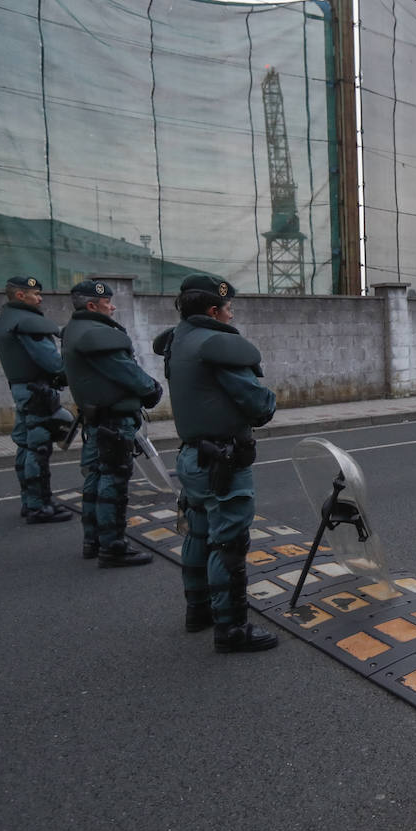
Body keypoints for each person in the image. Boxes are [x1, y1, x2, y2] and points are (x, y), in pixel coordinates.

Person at [159, 275, 278, 652]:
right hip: (222, 462)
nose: (232, 314)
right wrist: (269, 397)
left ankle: (199, 610)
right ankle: (231, 629)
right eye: (229, 308)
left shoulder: (179, 339)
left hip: (192, 456)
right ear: (214, 310)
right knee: (228, 542)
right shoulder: (217, 344)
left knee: (198, 533)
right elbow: (258, 406)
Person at [61, 280, 163, 567]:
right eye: (108, 302)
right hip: (114, 421)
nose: (113, 306)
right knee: (113, 482)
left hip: (96, 419)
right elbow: (126, 371)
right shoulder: (97, 334)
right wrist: (152, 389)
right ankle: (113, 546)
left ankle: (93, 539)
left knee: (95, 478)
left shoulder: (74, 330)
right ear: (92, 305)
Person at [0, 275, 73, 525]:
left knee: (26, 446)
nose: (40, 298)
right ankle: (39, 506)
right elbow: (53, 363)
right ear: (19, 295)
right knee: (38, 448)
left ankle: (31, 502)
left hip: (22, 389)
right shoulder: (28, 322)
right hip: (38, 392)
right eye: (34, 294)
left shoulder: (5, 320)